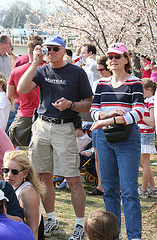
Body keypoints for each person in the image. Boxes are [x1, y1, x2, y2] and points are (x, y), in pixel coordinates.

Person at [17, 36, 93, 240]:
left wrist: (70, 105)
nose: (50, 52)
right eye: (47, 49)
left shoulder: (77, 72)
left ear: (63, 51)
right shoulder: (41, 70)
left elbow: (88, 103)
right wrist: (34, 62)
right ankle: (51, 220)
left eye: (54, 49)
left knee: (72, 178)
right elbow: (21, 89)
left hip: (65, 127)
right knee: (42, 177)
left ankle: (79, 225)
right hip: (41, 126)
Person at [90, 42, 144, 240]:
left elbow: (138, 113)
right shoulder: (101, 85)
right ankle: (114, 235)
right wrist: (111, 113)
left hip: (127, 139)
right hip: (104, 138)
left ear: (126, 59)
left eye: (117, 56)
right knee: (110, 190)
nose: (112, 60)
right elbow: (93, 112)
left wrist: (111, 119)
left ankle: (134, 236)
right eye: (110, 57)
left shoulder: (135, 83)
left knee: (129, 192)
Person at [7, 36, 44, 147]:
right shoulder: (48, 69)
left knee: (11, 148)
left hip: (24, 113)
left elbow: (10, 94)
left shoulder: (17, 70)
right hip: (44, 115)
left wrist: (23, 96)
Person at [3, 150, 46, 240]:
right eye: (5, 170)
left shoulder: (26, 193)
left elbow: (33, 230)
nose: (9, 175)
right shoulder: (12, 187)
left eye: (14, 172)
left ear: (25, 173)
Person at [89, 55, 112, 195]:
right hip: (98, 122)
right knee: (97, 156)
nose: (100, 72)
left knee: (113, 155)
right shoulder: (97, 84)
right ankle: (100, 185)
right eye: (98, 70)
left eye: (102, 69)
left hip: (114, 123)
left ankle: (116, 185)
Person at [138, 78, 157, 198]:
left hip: (146, 134)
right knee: (144, 164)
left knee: (145, 164)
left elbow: (152, 122)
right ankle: (153, 188)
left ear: (148, 89)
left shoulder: (152, 102)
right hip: (142, 133)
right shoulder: (147, 101)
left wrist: (139, 116)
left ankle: (143, 190)